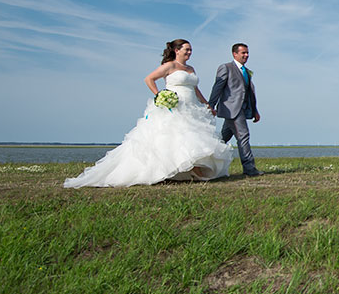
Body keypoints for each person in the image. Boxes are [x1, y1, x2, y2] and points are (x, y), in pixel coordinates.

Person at [63, 40, 234, 188]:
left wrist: (207, 104)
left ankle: (192, 170)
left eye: (190, 50)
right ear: (177, 50)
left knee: (190, 137)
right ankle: (165, 171)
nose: (189, 52)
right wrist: (159, 94)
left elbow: (195, 89)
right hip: (174, 106)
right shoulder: (169, 66)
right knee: (170, 137)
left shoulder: (190, 68)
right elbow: (149, 79)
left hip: (192, 107)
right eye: (186, 49)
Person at [209, 43, 262, 177]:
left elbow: (250, 93)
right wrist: (211, 105)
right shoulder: (226, 68)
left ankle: (207, 159)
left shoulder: (247, 72)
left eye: (247, 53)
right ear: (235, 54)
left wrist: (255, 110)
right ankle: (249, 168)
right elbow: (218, 87)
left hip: (244, 109)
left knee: (222, 139)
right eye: (243, 53)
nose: (246, 55)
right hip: (232, 109)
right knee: (243, 136)